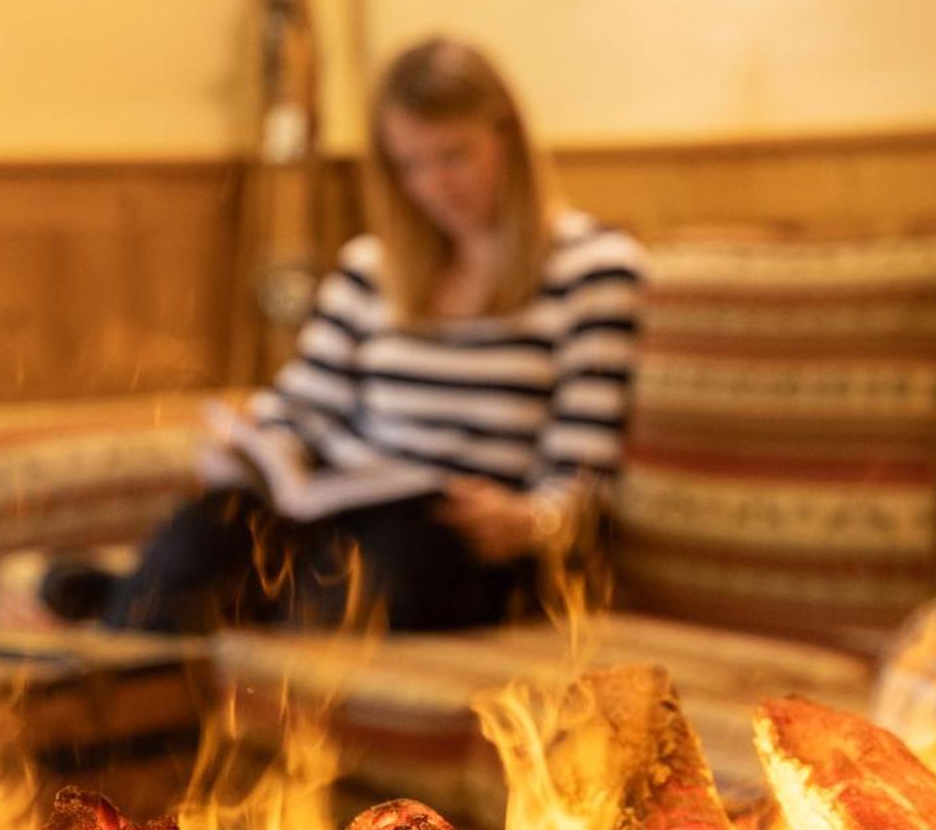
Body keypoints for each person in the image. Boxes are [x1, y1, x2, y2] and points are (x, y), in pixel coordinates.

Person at [54, 37, 644, 634]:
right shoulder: (372, 269)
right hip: (343, 508)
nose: (434, 185)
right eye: (410, 166)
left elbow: (586, 470)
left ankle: (131, 599)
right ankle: (139, 613)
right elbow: (303, 406)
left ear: (508, 137)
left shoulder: (593, 269)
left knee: (392, 568)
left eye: (454, 156)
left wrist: (530, 521)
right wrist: (259, 443)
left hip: (463, 543)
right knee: (214, 522)